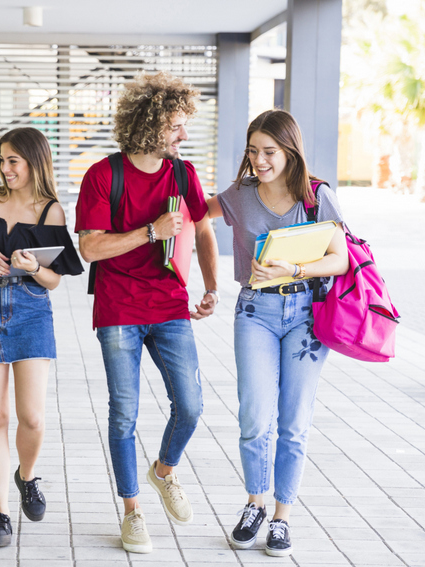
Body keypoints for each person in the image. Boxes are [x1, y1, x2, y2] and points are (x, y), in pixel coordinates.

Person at [74, 71, 219, 554]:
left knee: (192, 405)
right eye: (176, 125)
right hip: (118, 308)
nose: (183, 134)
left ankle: (164, 472)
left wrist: (212, 287)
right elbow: (90, 250)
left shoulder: (183, 174)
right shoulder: (103, 175)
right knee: (124, 415)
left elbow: (201, 230)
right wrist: (150, 232)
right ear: (150, 124)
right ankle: (132, 511)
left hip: (170, 304)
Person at [206, 109, 349, 557]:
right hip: (255, 312)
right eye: (253, 151)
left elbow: (340, 258)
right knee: (254, 416)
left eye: (269, 151)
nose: (260, 160)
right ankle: (255, 503)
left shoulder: (316, 196)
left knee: (293, 421)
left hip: (306, 314)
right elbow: (192, 212)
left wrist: (296, 268)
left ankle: (282, 518)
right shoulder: (241, 194)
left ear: (290, 151)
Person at [0, 127, 82, 547]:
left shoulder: (51, 211)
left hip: (31, 312)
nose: (5, 168)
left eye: (14, 160)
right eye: (2, 160)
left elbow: (54, 280)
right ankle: (0, 514)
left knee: (32, 418)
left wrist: (32, 267)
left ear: (34, 161)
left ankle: (26, 476)